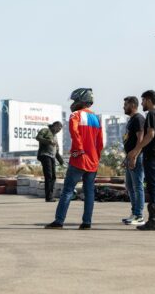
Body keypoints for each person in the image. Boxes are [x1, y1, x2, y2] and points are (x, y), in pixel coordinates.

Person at [45, 88, 103, 230]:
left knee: (68, 190)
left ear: (80, 100)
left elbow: (74, 133)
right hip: (93, 161)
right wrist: (96, 158)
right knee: (89, 192)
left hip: (79, 159)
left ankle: (59, 221)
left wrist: (78, 150)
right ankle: (86, 222)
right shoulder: (96, 118)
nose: (72, 103)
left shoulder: (75, 116)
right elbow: (100, 143)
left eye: (74, 100)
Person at [128, 90, 155, 231]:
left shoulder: (151, 114)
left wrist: (136, 150)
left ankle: (153, 221)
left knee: (153, 187)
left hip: (152, 155)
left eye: (143, 100)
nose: (142, 103)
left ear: (149, 100)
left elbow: (150, 135)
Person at [121, 96, 145, 225]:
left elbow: (140, 140)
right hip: (130, 156)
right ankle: (134, 212)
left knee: (137, 186)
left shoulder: (139, 119)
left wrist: (135, 156)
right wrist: (127, 158)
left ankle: (139, 216)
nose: (123, 107)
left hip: (137, 157)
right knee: (130, 186)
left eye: (125, 105)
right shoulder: (132, 120)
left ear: (132, 105)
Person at [36, 121, 64, 202]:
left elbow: (56, 151)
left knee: (53, 177)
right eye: (58, 128)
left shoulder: (55, 137)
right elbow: (38, 138)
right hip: (44, 155)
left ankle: (50, 195)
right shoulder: (45, 130)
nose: (59, 130)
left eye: (60, 129)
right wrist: (48, 141)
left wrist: (61, 162)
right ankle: (49, 197)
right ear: (54, 126)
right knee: (49, 176)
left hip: (52, 157)